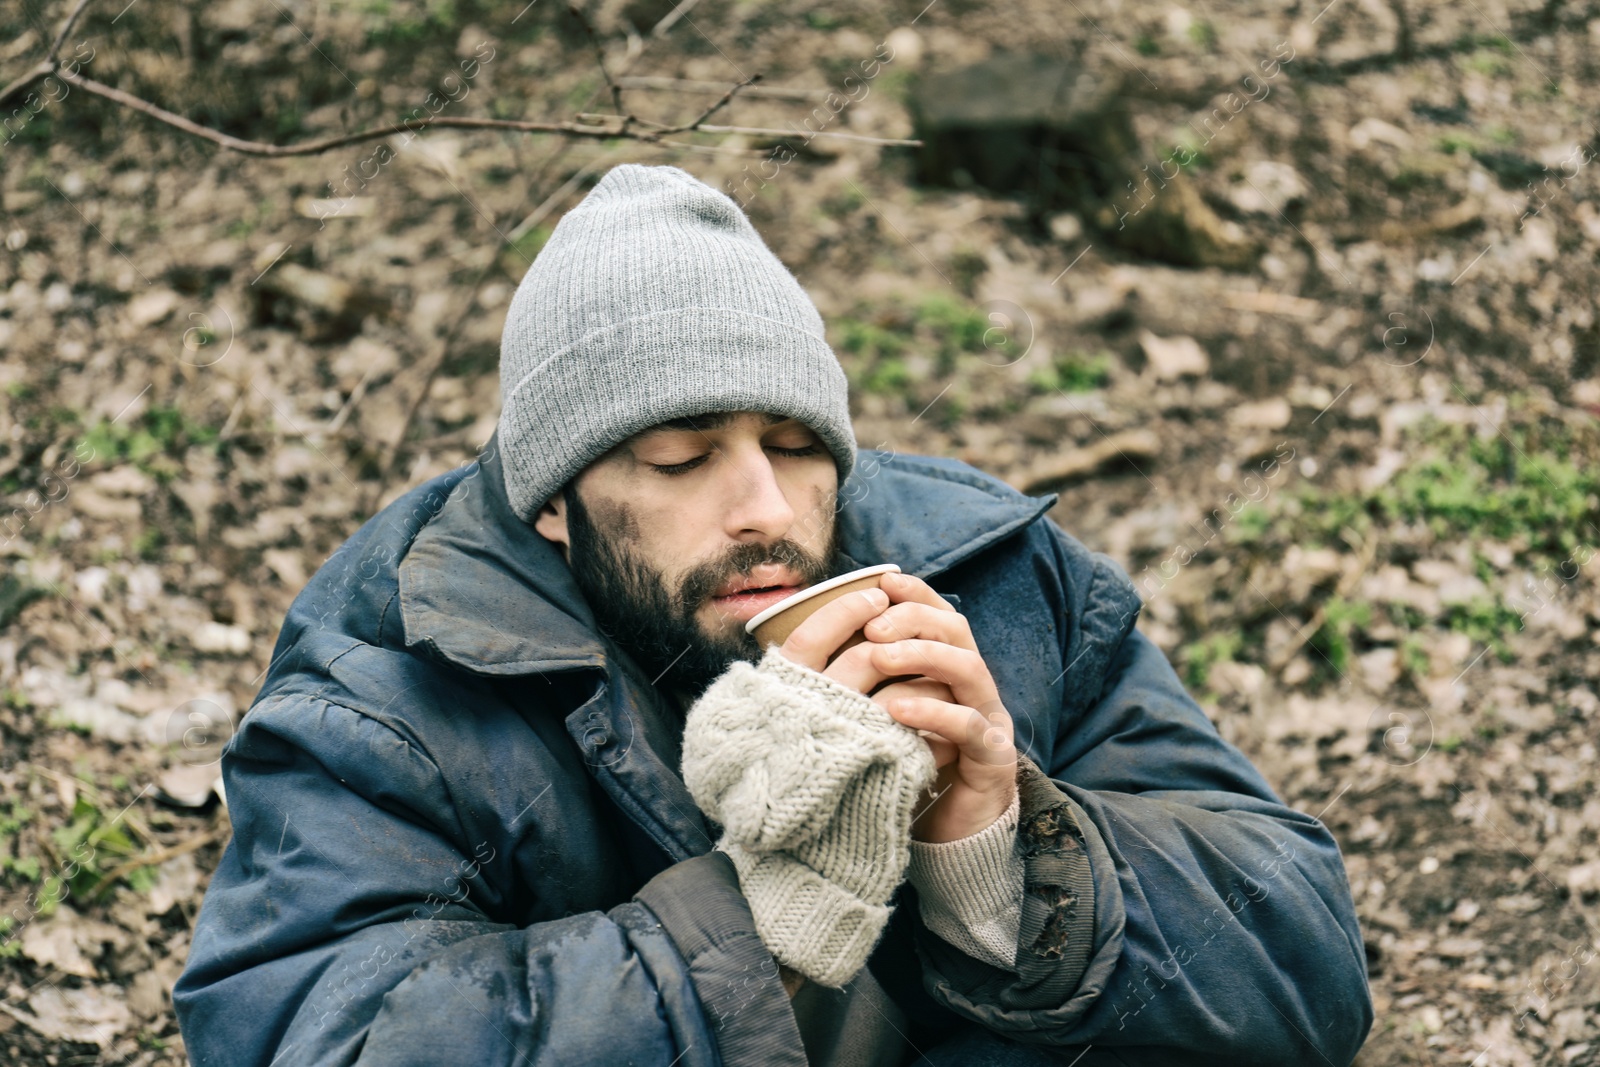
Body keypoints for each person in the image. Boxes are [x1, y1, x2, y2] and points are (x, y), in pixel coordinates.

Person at [173, 164, 1373, 1066]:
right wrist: (761, 926)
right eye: (682, 456)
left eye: (796, 446)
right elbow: (311, 1032)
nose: (763, 508)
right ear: (553, 500)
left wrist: (1003, 851)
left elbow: (1305, 954)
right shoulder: (393, 679)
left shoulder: (998, 580)